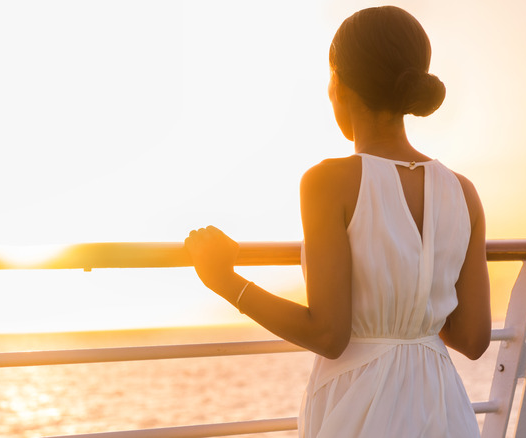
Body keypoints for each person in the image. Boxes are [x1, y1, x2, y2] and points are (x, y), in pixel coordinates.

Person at [184, 6, 491, 437]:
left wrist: (224, 280)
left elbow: (329, 334)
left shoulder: (328, 181)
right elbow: (474, 340)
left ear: (339, 85)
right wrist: (411, 316)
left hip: (362, 408)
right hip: (444, 406)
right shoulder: (464, 191)